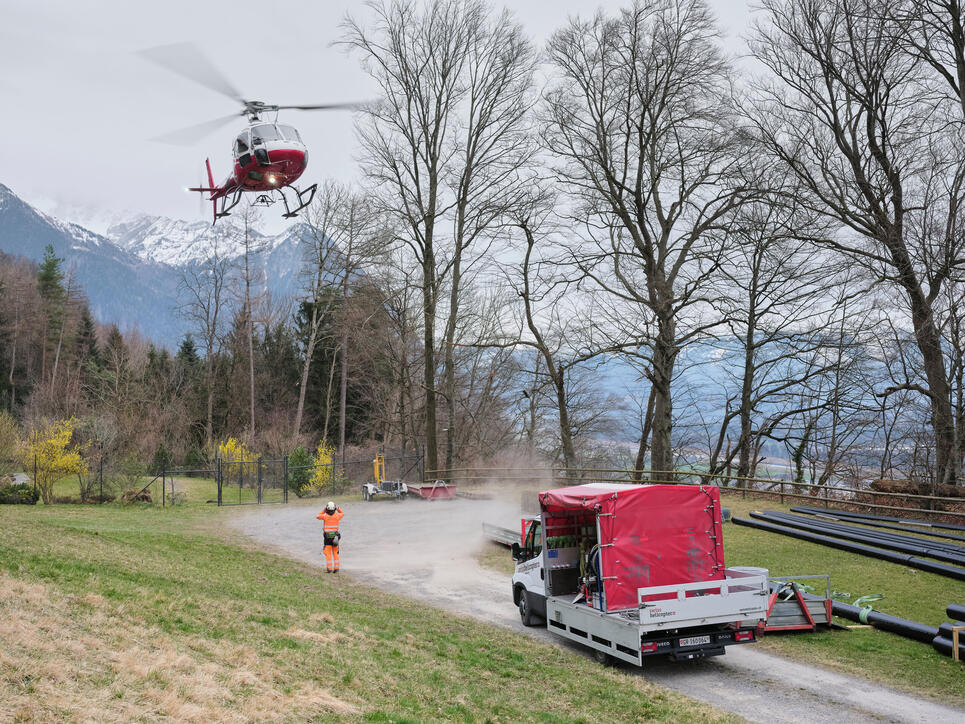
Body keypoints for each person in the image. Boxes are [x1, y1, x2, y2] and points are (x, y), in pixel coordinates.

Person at [316, 501, 344, 573]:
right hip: (336, 537)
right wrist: (338, 509)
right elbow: (342, 513)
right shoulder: (337, 516)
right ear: (334, 509)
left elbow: (318, 516)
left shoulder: (325, 516)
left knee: (328, 553)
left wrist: (323, 510)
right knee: (335, 552)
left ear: (327, 509)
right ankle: (336, 568)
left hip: (327, 537)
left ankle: (329, 569)